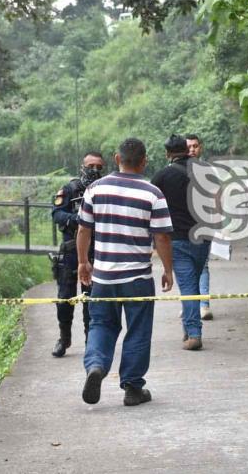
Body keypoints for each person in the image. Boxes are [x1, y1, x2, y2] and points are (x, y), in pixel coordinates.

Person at [77, 138, 174, 406]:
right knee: (138, 330)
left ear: (116, 158)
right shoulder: (152, 193)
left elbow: (84, 229)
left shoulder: (95, 189)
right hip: (138, 278)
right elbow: (162, 238)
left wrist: (83, 262)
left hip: (104, 276)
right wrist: (168, 269)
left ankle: (96, 366)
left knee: (101, 324)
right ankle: (132, 388)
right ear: (144, 161)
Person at [152, 134, 211, 350]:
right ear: (187, 151)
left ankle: (194, 333)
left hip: (177, 240)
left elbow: (151, 207)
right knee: (194, 282)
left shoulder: (162, 176)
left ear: (168, 154)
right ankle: (189, 329)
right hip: (203, 237)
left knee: (188, 287)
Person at [50, 151, 105, 357]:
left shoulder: (105, 190)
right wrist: (78, 220)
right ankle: (64, 338)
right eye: (91, 166)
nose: (94, 170)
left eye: (99, 167)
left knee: (91, 299)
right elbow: (56, 214)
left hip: (96, 251)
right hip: (71, 251)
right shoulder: (69, 189)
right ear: (82, 166)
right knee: (65, 298)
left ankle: (91, 341)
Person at [186, 133, 213, 321]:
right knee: (185, 268)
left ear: (200, 147)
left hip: (203, 225)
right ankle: (189, 304)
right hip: (182, 228)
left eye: (195, 146)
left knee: (202, 266)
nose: (192, 150)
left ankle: (203, 304)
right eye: (189, 147)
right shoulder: (177, 170)